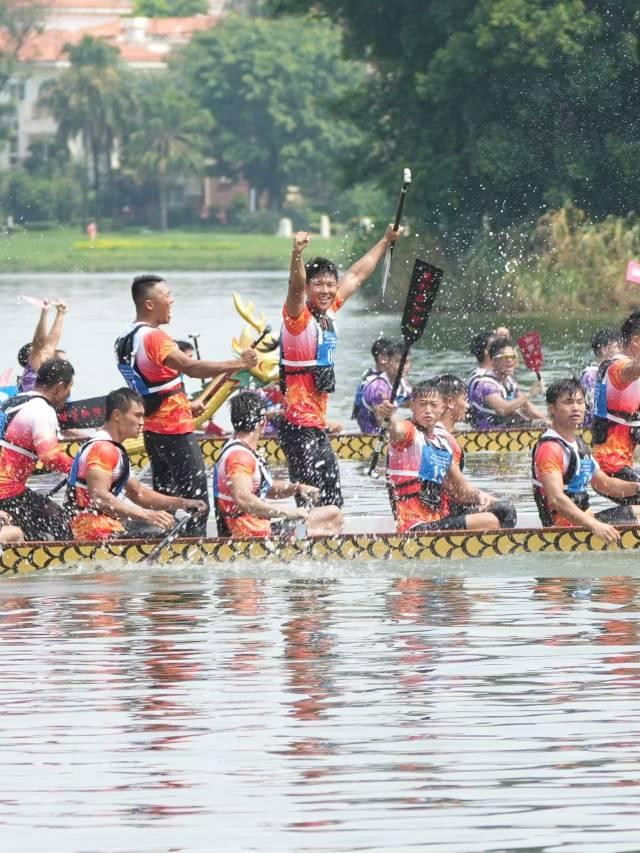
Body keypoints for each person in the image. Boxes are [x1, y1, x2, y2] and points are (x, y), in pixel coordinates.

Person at [115, 274, 258, 537]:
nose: (172, 301)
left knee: (166, 499)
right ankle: (194, 549)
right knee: (198, 501)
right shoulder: (154, 337)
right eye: (167, 296)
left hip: (153, 432)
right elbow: (191, 368)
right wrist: (239, 363)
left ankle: (163, 547)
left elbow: (150, 386)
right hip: (175, 432)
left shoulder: (125, 337)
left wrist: (187, 404)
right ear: (149, 304)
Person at [279, 226, 402, 506]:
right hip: (297, 427)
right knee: (310, 501)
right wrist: (297, 254)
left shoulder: (330, 310)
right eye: (318, 285)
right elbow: (294, 286)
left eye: (330, 284)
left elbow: (357, 274)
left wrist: (385, 240)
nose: (325, 290)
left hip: (316, 425)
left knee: (333, 501)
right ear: (307, 288)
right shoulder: (296, 317)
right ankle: (301, 530)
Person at [66, 388, 207, 541]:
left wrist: (184, 503)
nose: (142, 422)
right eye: (137, 415)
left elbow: (138, 493)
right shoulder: (103, 448)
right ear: (117, 415)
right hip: (89, 530)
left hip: (101, 525)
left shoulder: (112, 447)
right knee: (170, 532)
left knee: (171, 525)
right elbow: (100, 497)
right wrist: (147, 515)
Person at [378, 379, 516, 533]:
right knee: (488, 521)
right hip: (415, 526)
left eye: (433, 405)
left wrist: (479, 495)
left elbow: (459, 490)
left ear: (442, 407)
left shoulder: (443, 443)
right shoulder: (409, 433)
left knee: (505, 510)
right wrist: (389, 418)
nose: (428, 410)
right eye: (422, 404)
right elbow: (396, 430)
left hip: (439, 519)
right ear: (412, 406)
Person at [213, 390, 342, 538]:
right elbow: (242, 498)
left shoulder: (238, 448)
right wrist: (287, 512)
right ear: (263, 422)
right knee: (330, 523)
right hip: (250, 535)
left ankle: (303, 537)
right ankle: (304, 539)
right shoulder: (240, 457)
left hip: (258, 528)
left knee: (333, 513)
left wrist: (297, 488)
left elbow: (267, 488)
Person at [532, 378, 640, 543]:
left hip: (585, 520)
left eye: (580, 402)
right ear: (552, 408)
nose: (576, 408)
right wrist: (594, 525)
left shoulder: (579, 445)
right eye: (568, 402)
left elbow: (604, 484)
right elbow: (555, 499)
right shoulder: (550, 448)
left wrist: (637, 487)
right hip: (563, 530)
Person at [0, 358, 75, 540]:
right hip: (7, 490)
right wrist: (79, 468)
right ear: (59, 387)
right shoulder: (42, 410)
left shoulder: (13, 401)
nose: (69, 394)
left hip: (9, 488)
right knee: (63, 525)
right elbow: (50, 456)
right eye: (69, 387)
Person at [434, 373, 516, 521]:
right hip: (440, 513)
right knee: (505, 511)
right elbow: (460, 490)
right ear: (450, 402)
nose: (468, 406)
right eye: (465, 400)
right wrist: (485, 497)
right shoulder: (441, 438)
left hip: (445, 505)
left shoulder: (439, 434)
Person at [591, 310, 640, 492]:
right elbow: (633, 369)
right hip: (610, 469)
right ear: (636, 341)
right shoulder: (617, 367)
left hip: (621, 467)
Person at [468, 337, 546, 429]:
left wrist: (546, 419)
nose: (510, 360)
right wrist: (529, 394)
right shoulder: (485, 384)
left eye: (512, 357)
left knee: (546, 423)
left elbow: (525, 406)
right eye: (505, 357)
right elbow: (503, 409)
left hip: (506, 429)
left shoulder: (509, 382)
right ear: (494, 362)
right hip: (487, 432)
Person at [355, 340, 412, 435]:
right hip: (372, 436)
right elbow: (382, 423)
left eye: (406, 362)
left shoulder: (403, 382)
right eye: (398, 361)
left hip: (389, 432)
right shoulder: (378, 387)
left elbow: (411, 404)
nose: (403, 366)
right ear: (387, 362)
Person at [18, 301, 68, 392]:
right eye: (40, 351)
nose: (44, 350)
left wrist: (60, 313)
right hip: (33, 399)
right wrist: (44, 312)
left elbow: (52, 342)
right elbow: (39, 342)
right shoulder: (33, 365)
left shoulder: (44, 364)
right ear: (29, 358)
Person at [580, 328, 622, 426]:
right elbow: (592, 407)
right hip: (593, 428)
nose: (621, 351)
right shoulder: (590, 375)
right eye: (617, 347)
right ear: (604, 350)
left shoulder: (613, 372)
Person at [351, 336, 392, 420]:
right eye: (390, 355)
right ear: (381, 358)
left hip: (358, 418)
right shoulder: (378, 381)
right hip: (370, 421)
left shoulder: (367, 372)